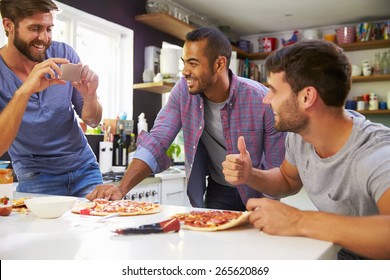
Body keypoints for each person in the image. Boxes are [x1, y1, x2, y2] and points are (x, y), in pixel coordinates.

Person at [222, 40, 390, 259]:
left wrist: (297, 220)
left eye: (273, 90)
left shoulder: (377, 152)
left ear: (307, 97)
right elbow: (287, 180)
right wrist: (249, 175)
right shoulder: (299, 137)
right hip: (333, 255)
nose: (266, 99)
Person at [87, 27, 286, 210]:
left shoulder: (262, 100)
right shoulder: (183, 91)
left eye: (193, 63)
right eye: (184, 63)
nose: (184, 71)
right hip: (219, 189)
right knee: (212, 246)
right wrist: (121, 188)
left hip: (258, 191)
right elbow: (157, 140)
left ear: (219, 64)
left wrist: (267, 206)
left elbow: (276, 167)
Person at [0, 0, 103, 197]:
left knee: (99, 225)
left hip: (85, 170)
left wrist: (90, 97)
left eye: (49, 29)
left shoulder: (63, 55)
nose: (44, 38)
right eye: (35, 28)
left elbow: (92, 120)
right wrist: (24, 92)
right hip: (37, 177)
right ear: (8, 25)